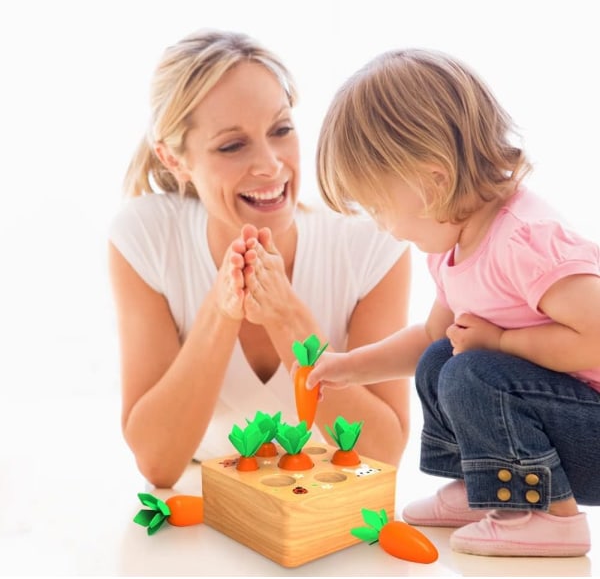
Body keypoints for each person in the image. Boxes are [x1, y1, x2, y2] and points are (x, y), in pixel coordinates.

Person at [306, 47, 600, 557]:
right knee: (441, 356)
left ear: (433, 180)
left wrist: (502, 340)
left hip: (590, 433)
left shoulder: (523, 240)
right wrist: (352, 368)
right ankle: (482, 486)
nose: (380, 223)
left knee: (471, 370)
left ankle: (554, 516)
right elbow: (428, 338)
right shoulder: (452, 250)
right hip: (555, 424)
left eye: (378, 205)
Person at [108, 29, 412, 489]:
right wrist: (222, 309)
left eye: (281, 130)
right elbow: (158, 465)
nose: (270, 164)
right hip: (203, 503)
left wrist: (288, 319)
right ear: (174, 159)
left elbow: (383, 455)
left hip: (314, 503)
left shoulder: (369, 242)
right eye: (232, 145)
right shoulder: (147, 237)